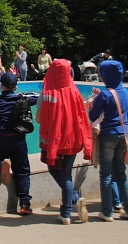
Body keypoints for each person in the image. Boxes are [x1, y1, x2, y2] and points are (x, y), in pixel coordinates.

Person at [38, 59, 92, 224]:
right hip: (73, 139)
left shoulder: (47, 94)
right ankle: (72, 201)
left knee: (57, 172)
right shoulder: (75, 92)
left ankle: (67, 212)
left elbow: (39, 119)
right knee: (66, 174)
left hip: (54, 141)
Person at [87, 60, 128, 221]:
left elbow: (93, 116)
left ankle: (107, 211)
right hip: (123, 134)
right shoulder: (125, 93)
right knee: (121, 173)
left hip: (107, 135)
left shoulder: (105, 94)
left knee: (106, 174)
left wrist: (94, 100)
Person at [0, 73, 37, 215]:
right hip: (18, 138)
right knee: (22, 170)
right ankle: (25, 203)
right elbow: (37, 98)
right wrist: (23, 95)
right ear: (15, 87)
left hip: (3, 137)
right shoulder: (22, 99)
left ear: (1, 86)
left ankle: (2, 167)